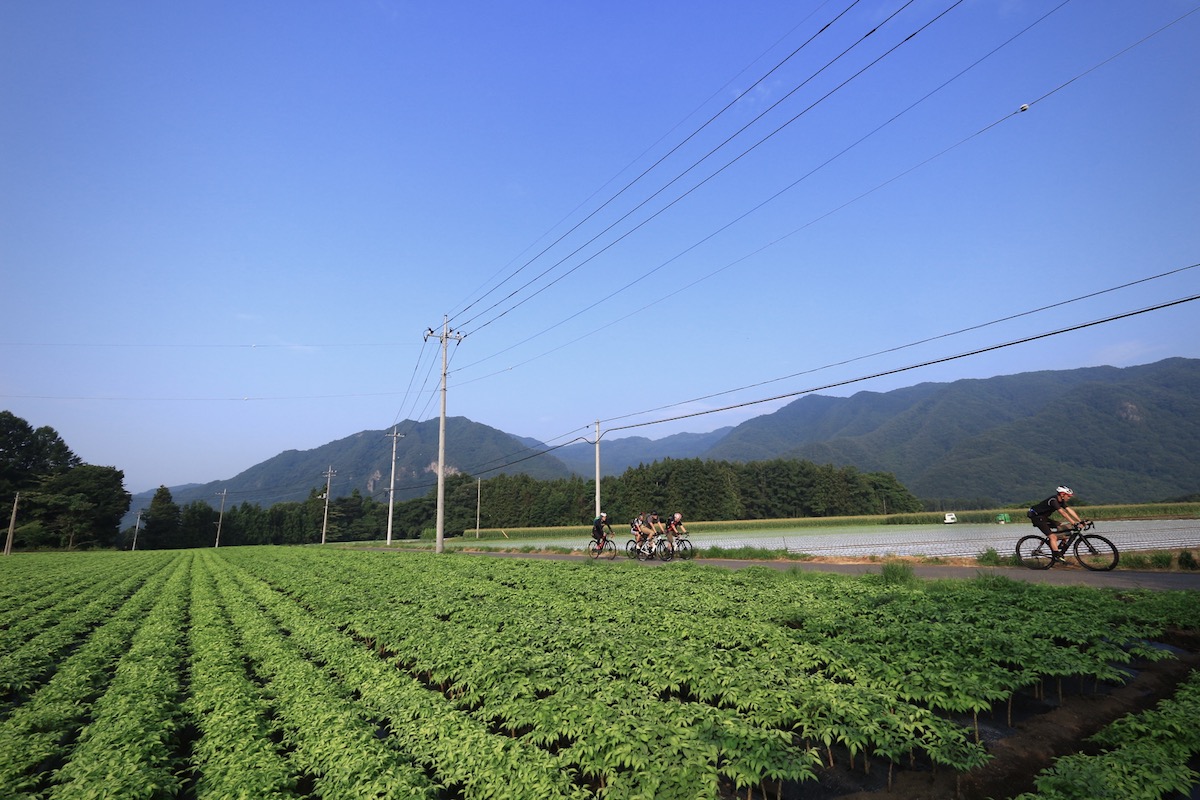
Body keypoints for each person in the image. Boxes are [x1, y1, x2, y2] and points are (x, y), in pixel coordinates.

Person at [1027, 486, 1084, 556]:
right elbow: (1063, 513)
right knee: (1053, 537)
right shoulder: (1053, 501)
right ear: (1062, 494)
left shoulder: (1061, 501)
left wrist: (1080, 521)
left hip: (1044, 517)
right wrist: (1074, 523)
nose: (1069, 498)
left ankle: (1057, 545)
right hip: (1037, 518)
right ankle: (1056, 555)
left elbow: (1069, 510)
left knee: (1062, 527)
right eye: (1068, 496)